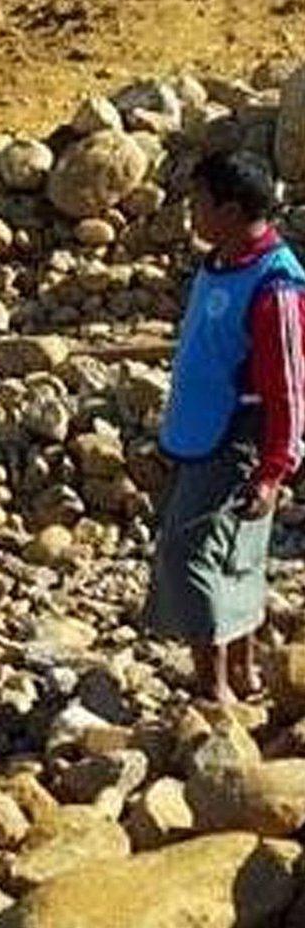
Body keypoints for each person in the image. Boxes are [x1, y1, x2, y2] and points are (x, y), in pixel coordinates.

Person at [149, 153, 305, 704]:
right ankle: (243, 673)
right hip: (201, 429)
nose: (191, 213)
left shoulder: (275, 286)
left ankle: (213, 685)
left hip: (238, 436)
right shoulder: (220, 261)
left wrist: (274, 470)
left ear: (233, 210)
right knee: (233, 551)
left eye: (200, 203)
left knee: (190, 554)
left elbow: (288, 384)